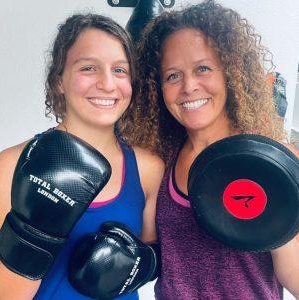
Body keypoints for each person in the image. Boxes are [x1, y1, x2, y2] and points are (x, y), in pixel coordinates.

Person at [135, 0, 299, 299]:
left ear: (231, 73)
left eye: (203, 68)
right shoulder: (161, 162)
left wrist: (277, 217)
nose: (189, 87)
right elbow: (153, 252)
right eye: (173, 75)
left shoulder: (276, 161)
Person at [0, 13, 164, 299]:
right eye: (88, 68)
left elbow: (156, 253)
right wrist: (33, 236)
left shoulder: (148, 167)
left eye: (120, 70)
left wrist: (140, 265)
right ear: (59, 80)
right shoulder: (13, 165)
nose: (107, 84)